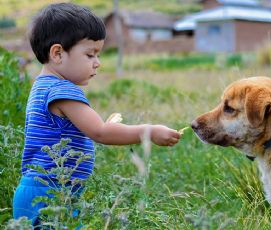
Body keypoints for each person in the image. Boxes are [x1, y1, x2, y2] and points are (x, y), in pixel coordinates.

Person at [13, 3, 181, 225]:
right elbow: (100, 132)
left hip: (41, 191)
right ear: (58, 53)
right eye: (90, 54)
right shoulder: (63, 90)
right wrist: (149, 131)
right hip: (51, 194)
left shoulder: (41, 86)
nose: (97, 63)